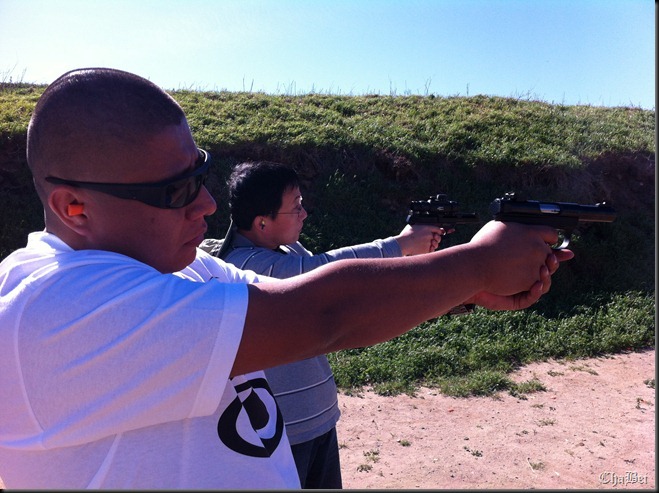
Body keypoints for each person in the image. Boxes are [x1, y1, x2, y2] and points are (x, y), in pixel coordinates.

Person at [0, 67, 573, 489]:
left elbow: (293, 299)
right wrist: (476, 264)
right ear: (75, 206)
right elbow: (320, 314)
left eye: (200, 174)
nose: (205, 204)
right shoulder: (48, 306)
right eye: (175, 190)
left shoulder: (182, 265)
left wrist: (461, 289)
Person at [200, 160, 448, 488]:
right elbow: (326, 271)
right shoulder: (244, 265)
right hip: (283, 432)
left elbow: (336, 281)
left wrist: (409, 257)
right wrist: (400, 245)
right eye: (296, 207)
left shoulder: (286, 250)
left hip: (317, 419)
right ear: (262, 222)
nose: (304, 214)